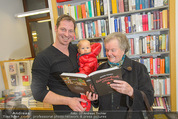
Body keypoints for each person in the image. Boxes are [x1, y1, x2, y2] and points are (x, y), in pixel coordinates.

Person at [87, 32, 154, 117]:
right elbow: (98, 103)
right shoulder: (101, 69)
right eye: (107, 50)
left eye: (113, 50)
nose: (108, 54)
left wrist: (131, 92)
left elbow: (150, 99)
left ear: (123, 50)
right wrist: (94, 99)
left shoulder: (139, 68)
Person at [31, 14, 87, 114]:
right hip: (66, 114)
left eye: (70, 31)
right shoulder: (42, 58)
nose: (66, 34)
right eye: (63, 29)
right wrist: (68, 101)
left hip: (87, 107)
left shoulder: (76, 50)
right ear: (56, 28)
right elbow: (38, 93)